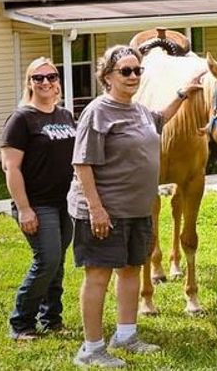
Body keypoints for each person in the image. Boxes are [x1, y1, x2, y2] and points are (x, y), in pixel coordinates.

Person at [69, 45, 202, 367]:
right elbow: (82, 163)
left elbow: (160, 119)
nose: (133, 76)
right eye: (125, 71)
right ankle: (91, 349)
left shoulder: (139, 110)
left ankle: (126, 335)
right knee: (98, 276)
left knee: (130, 270)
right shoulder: (98, 112)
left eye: (137, 70)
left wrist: (182, 94)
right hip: (105, 211)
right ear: (107, 76)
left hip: (138, 210)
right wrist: (96, 209)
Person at [2, 58, 76, 341]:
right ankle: (21, 323)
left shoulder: (65, 116)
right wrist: (24, 209)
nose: (46, 82)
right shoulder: (21, 119)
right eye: (38, 77)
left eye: (51, 76)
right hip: (36, 204)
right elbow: (11, 168)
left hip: (64, 203)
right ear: (30, 83)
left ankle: (51, 319)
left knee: (57, 263)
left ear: (58, 81)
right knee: (47, 260)